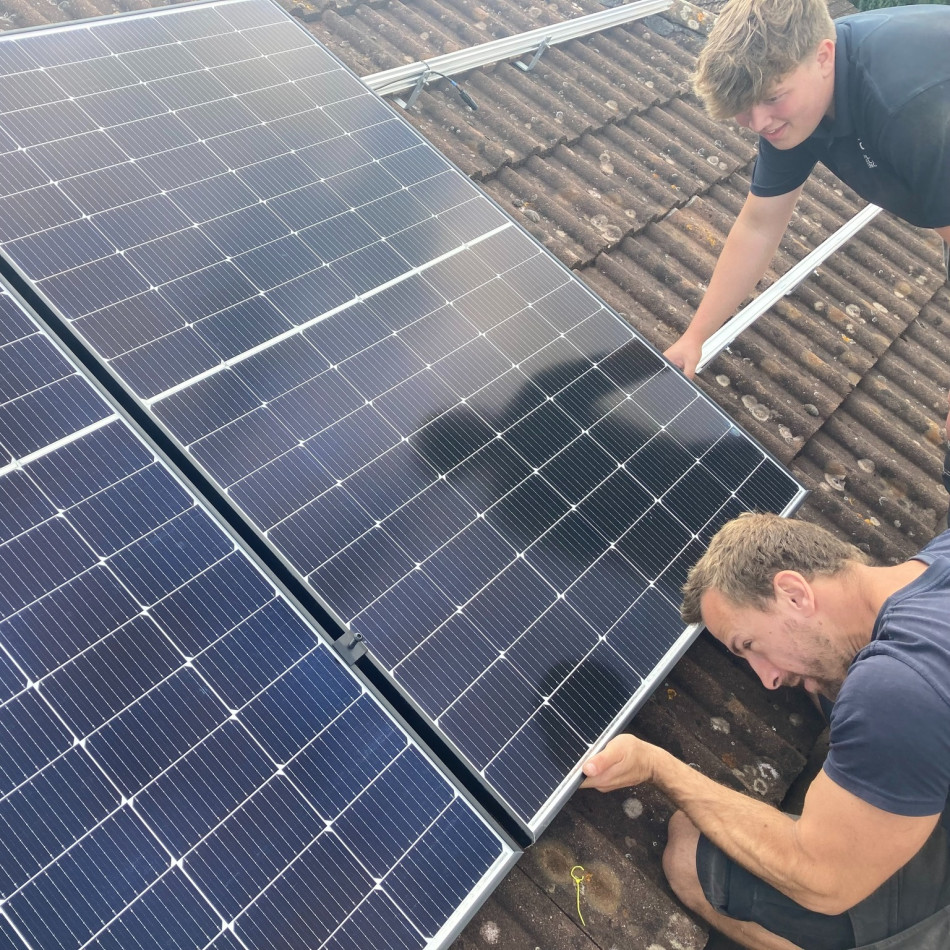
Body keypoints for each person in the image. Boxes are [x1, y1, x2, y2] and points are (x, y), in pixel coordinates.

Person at [582, 513, 950, 949]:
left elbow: (823, 881)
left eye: (749, 646)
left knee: (687, 851)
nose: (767, 679)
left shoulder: (895, 687)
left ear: (794, 594)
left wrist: (659, 766)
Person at [663, 0, 950, 380]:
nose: (758, 121)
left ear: (824, 57)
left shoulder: (909, 112)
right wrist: (694, 337)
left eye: (771, 98)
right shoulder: (794, 106)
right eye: (745, 107)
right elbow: (758, 227)